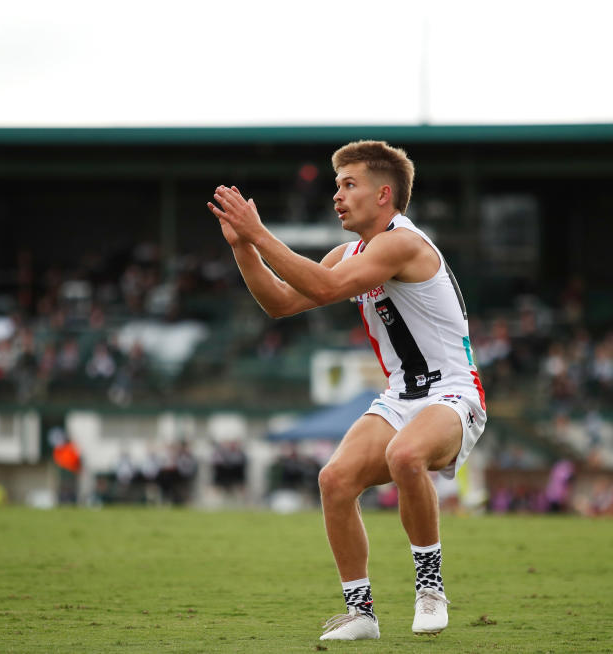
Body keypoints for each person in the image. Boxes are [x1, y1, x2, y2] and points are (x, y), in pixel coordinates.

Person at [208, 140, 487, 640]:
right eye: (336, 185)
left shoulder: (404, 243)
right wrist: (243, 247)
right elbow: (279, 303)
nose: (337, 195)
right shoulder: (350, 252)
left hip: (453, 395)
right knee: (334, 480)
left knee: (405, 456)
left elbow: (324, 288)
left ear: (385, 195)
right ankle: (361, 615)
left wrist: (260, 231)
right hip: (402, 396)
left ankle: (430, 589)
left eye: (349, 184)